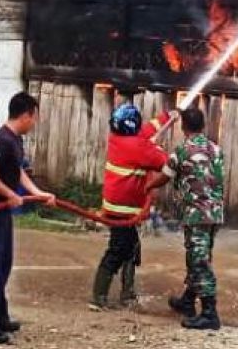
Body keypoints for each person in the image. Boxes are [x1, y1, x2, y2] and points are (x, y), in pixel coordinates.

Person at [0, 92, 56, 345]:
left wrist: (38, 194)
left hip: (1, 213)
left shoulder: (15, 141)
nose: (35, 122)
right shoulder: (1, 140)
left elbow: (16, 172)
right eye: (35, 117)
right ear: (26, 114)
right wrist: (8, 194)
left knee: (2, 265)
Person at [146, 106, 225, 331]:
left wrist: (149, 185)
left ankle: (210, 314)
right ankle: (188, 301)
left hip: (196, 213)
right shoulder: (216, 150)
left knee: (199, 261)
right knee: (198, 257)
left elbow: (165, 177)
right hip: (215, 213)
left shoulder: (181, 151)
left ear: (183, 127)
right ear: (203, 126)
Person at [90, 102, 174, 309]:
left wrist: (166, 117)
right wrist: (156, 147)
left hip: (117, 206)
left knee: (131, 247)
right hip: (123, 211)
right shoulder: (140, 148)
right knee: (118, 250)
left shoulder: (118, 139)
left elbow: (145, 131)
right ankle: (98, 296)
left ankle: (127, 293)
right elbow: (166, 163)